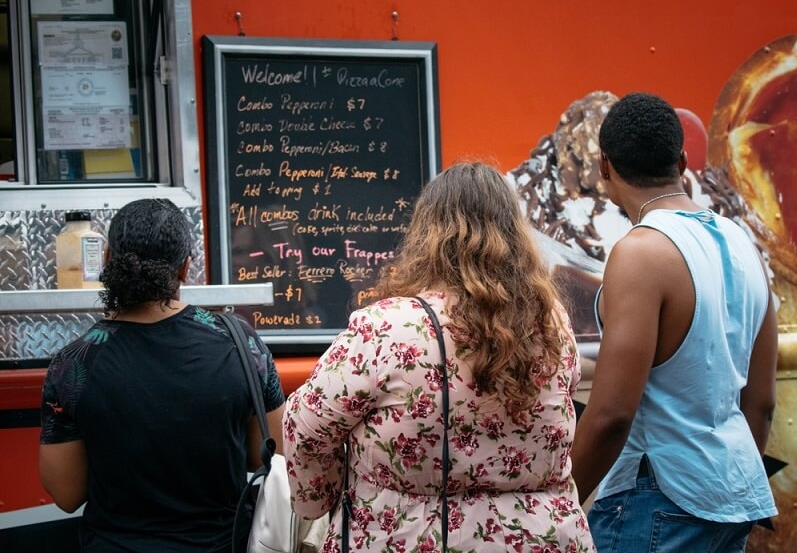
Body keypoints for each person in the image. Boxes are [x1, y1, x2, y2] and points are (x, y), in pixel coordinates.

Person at [283, 162, 595, 551]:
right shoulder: (552, 324)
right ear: (516, 234)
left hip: (412, 538)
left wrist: (319, 500)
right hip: (542, 538)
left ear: (426, 236)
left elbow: (307, 426)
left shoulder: (387, 327)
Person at [571, 92, 778, 552]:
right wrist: (722, 485)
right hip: (733, 496)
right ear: (682, 162)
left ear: (604, 166)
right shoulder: (742, 244)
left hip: (658, 499)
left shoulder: (641, 252)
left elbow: (612, 415)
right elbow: (762, 402)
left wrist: (560, 505)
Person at [39, 198, 286, 552]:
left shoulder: (73, 364)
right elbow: (269, 452)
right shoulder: (240, 343)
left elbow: (66, 494)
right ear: (185, 267)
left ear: (107, 260)